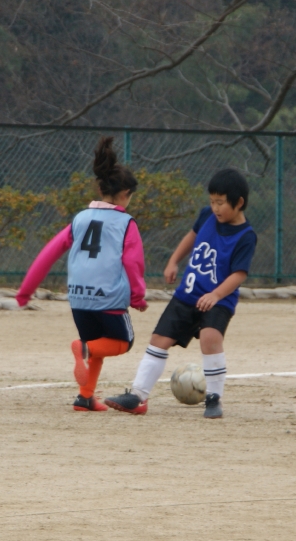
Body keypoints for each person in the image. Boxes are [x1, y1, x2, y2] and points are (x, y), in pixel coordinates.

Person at [106, 168, 256, 419]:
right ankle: (138, 396)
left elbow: (239, 274)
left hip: (218, 300)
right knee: (159, 339)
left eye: (221, 202)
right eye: (212, 201)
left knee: (210, 339)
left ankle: (213, 398)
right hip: (187, 294)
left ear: (239, 202)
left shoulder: (246, 236)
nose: (215, 208)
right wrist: (174, 260)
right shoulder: (207, 215)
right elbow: (191, 237)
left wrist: (216, 295)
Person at [16, 137, 147, 411]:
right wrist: (137, 296)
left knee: (97, 342)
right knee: (123, 342)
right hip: (108, 298)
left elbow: (49, 253)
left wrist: (25, 291)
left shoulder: (80, 219)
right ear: (126, 194)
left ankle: (85, 397)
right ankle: (82, 349)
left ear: (100, 189)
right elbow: (133, 263)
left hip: (78, 298)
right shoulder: (126, 223)